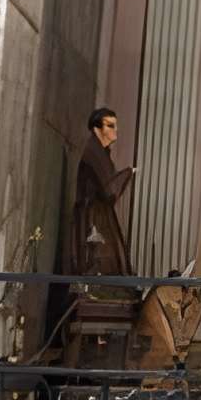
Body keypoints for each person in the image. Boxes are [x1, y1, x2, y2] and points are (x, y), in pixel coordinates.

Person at [66, 107, 135, 284]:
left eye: (115, 125)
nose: (115, 130)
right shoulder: (94, 153)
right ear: (97, 129)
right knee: (98, 260)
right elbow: (109, 189)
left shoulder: (99, 152)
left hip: (96, 214)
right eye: (110, 126)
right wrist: (128, 173)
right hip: (92, 217)